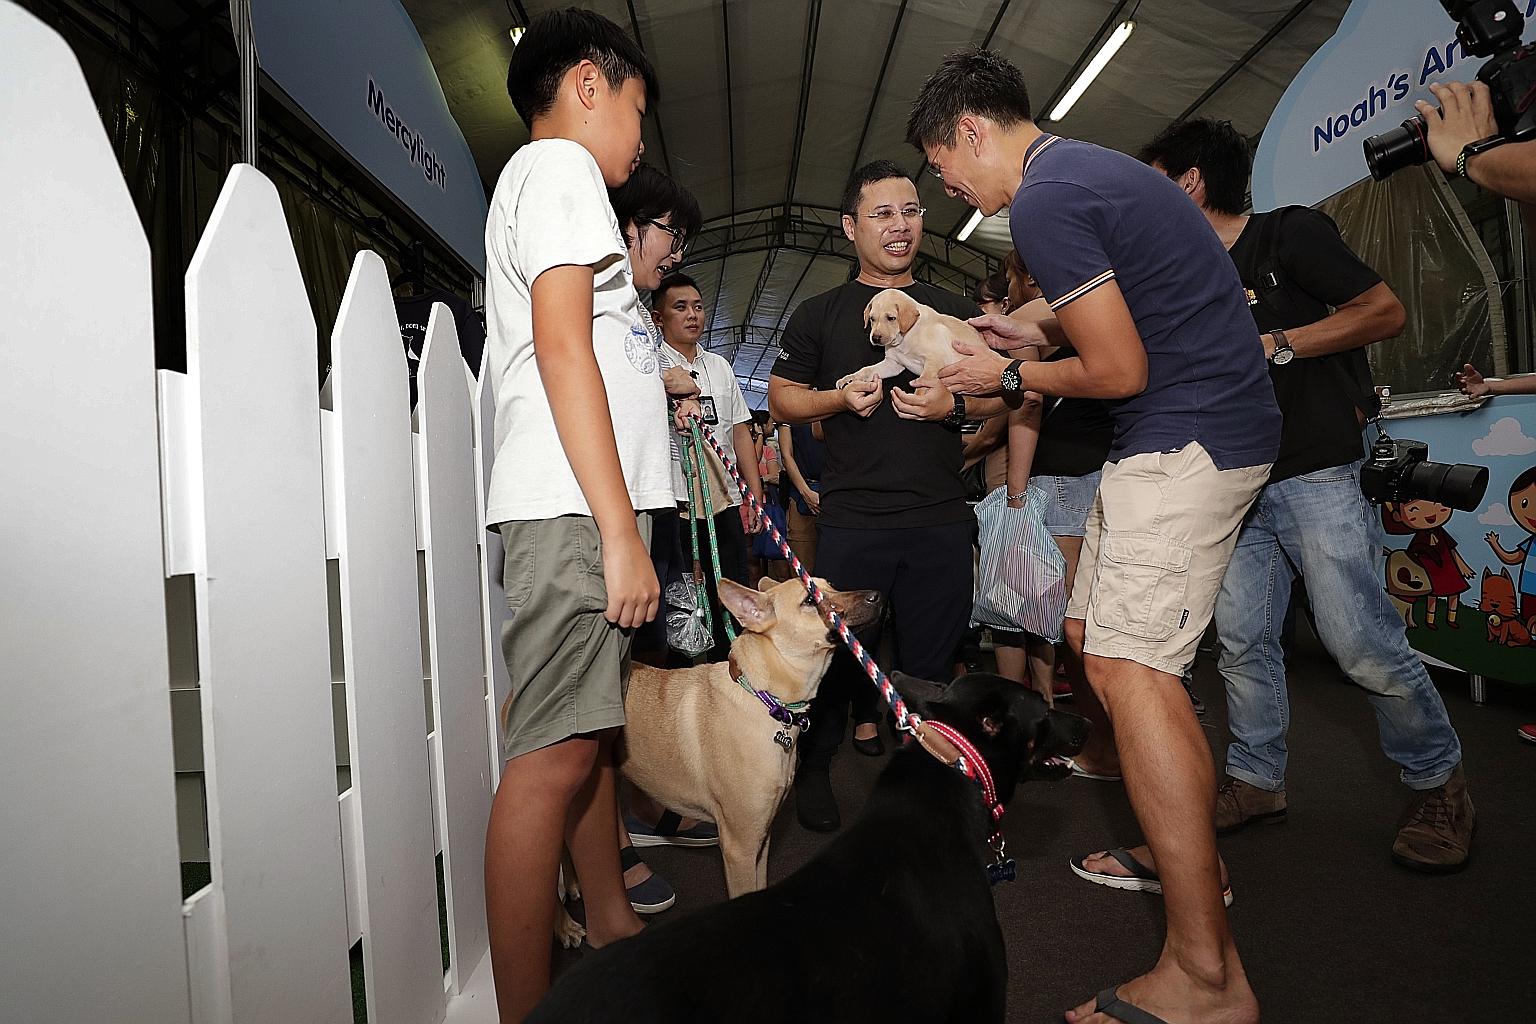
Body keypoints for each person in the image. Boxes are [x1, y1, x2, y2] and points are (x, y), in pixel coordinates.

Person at [909, 48, 1281, 1024]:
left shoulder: (1044, 199)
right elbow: (1117, 309)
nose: (946, 186)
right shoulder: (1085, 172)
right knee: (1093, 645)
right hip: (1190, 426)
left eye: (944, 166)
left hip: (1187, 431)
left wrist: (1011, 380)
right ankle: (1181, 852)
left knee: (1130, 666)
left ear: (975, 129)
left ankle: (1207, 976)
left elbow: (1117, 367)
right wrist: (1029, 332)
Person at [1067, 119, 1468, 887]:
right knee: (1244, 643)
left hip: (1312, 468)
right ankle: (1257, 782)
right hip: (1223, 482)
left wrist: (1277, 342)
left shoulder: (1288, 235)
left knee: (1359, 641)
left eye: (1153, 178)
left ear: (1188, 182)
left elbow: (1384, 311)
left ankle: (1438, 786)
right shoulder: (1174, 272)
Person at [481, 12, 676, 1019]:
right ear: (592, 84)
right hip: (570, 507)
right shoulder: (560, 170)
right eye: (638, 107)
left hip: (574, 500)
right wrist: (617, 527)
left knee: (587, 734)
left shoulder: (548, 181)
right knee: (550, 759)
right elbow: (565, 349)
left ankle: (608, 918)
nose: (641, 136)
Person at [768, 159, 1010, 832]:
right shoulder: (821, 314)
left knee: (933, 667)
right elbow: (783, 399)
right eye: (881, 214)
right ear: (850, 227)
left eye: (910, 211)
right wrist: (838, 395)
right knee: (837, 662)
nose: (900, 226)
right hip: (854, 522)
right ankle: (814, 768)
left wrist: (954, 403)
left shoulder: (954, 308)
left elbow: (1009, 387)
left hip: (938, 518)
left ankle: (926, 793)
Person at [653, 271, 763, 661]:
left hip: (723, 501)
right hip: (675, 504)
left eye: (698, 307)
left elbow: (739, 431)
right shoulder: (650, 368)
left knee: (731, 591)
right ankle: (682, 689)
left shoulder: (719, 366)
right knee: (681, 600)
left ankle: (730, 672)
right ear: (658, 318)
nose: (692, 315)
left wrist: (753, 494)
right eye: (680, 307)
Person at [777, 419, 826, 574]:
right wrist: (805, 492)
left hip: (838, 493)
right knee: (803, 573)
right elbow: (786, 455)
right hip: (802, 497)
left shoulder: (840, 398)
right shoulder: (790, 405)